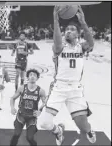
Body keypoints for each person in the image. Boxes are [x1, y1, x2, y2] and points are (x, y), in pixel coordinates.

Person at [39, 6, 96, 145]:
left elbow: (91, 43)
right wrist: (55, 19)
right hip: (59, 87)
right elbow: (57, 41)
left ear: (78, 34)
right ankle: (58, 131)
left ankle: (89, 131)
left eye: (72, 30)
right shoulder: (59, 48)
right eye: (67, 30)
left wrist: (82, 22)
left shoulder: (81, 48)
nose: (68, 32)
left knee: (83, 127)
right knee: (45, 123)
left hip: (75, 90)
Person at [10, 69, 47, 146]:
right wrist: (12, 107)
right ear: (27, 77)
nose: (32, 76)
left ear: (37, 78)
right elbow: (12, 98)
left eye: (34, 75)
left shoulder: (41, 91)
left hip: (32, 117)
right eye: (30, 75)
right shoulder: (22, 88)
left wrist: (40, 110)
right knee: (17, 134)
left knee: (29, 138)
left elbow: (45, 103)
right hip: (21, 115)